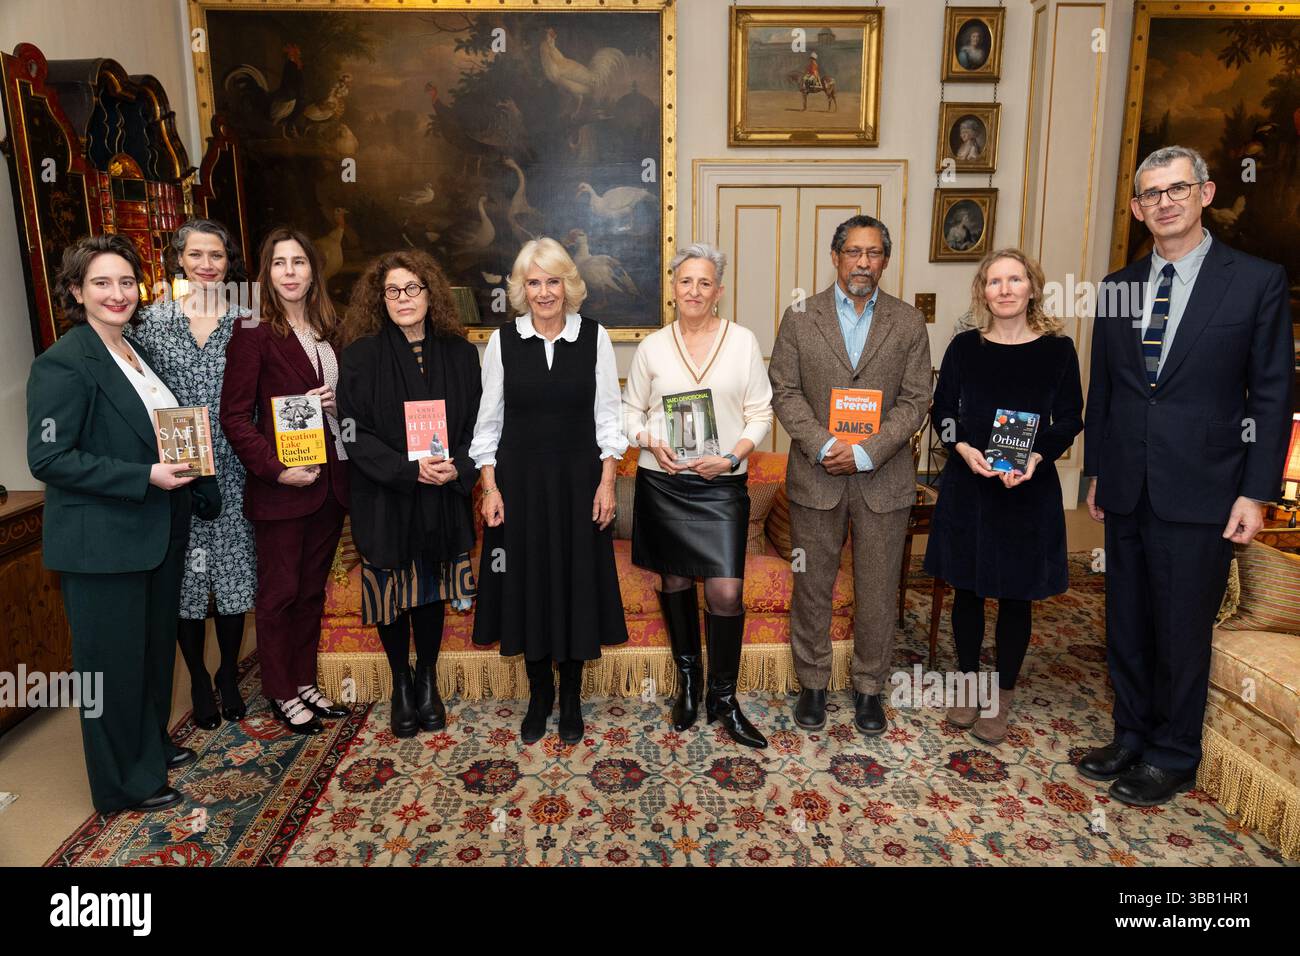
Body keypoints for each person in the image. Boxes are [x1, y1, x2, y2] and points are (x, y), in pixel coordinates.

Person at [1080, 145, 1294, 805]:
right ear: (1140, 209)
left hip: (1204, 489)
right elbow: (1109, 394)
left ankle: (1173, 755)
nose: (1163, 202)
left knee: (1180, 626)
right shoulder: (1117, 288)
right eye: (1151, 194)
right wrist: (1095, 471)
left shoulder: (1255, 281)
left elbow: (1271, 395)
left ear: (1205, 193)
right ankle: (1131, 736)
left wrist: (1256, 491)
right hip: (1126, 485)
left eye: (1177, 189)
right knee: (1128, 621)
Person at [26, 235, 221, 813]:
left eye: (126, 282)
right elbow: (49, 459)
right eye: (101, 283)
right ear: (75, 291)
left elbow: (165, 428)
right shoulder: (62, 362)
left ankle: (149, 748)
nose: (117, 294)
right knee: (111, 669)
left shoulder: (138, 353)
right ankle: (122, 784)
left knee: (152, 654)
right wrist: (145, 477)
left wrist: (195, 479)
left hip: (156, 533)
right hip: (102, 543)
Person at [769, 214, 931, 735]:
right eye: (854, 252)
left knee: (879, 588)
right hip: (816, 477)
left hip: (883, 479)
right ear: (835, 256)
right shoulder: (799, 317)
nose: (864, 262)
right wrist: (825, 445)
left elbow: (916, 400)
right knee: (812, 585)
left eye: (875, 253)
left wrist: (865, 452)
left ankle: (868, 690)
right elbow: (784, 390)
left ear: (885, 260)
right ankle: (812, 685)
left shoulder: (908, 322)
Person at [470, 237, 628, 745]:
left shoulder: (595, 337)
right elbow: (487, 423)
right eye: (533, 282)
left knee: (575, 584)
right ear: (521, 289)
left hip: (579, 483)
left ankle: (572, 698)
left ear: (569, 285)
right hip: (519, 486)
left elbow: (609, 418)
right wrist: (489, 488)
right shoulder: (503, 342)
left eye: (552, 281)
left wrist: (607, 482)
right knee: (528, 587)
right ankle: (540, 696)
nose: (543, 292)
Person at [924, 248, 1083, 743]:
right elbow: (943, 410)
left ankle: (1004, 692)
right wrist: (963, 448)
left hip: (1026, 488)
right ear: (983, 292)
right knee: (967, 588)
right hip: (970, 484)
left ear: (1032, 287)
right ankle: (970, 684)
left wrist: (1037, 457)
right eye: (995, 281)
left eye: (1015, 279)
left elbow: (1071, 418)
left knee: (1017, 594)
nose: (1006, 289)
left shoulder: (1058, 350)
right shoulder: (964, 347)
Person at [623, 242, 773, 749]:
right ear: (673, 289)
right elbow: (628, 413)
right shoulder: (652, 347)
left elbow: (760, 413)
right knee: (675, 579)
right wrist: (651, 440)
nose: (694, 290)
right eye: (685, 281)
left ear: (719, 291)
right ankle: (689, 685)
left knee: (726, 590)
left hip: (722, 482)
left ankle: (724, 700)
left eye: (704, 282)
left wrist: (732, 457)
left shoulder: (743, 341)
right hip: (664, 480)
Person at [339, 251, 481, 737]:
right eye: (393, 290)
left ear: (431, 294)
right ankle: (400, 680)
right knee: (392, 594)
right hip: (387, 493)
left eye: (413, 288)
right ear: (380, 299)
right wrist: (406, 470)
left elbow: (479, 425)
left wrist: (456, 467)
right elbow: (352, 431)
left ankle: (428, 678)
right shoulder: (359, 355)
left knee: (431, 590)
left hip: (442, 492)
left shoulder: (461, 353)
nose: (404, 298)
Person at [221, 226, 352, 735]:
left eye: (299, 262)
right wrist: (278, 470)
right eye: (279, 263)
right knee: (278, 594)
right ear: (265, 272)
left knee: (311, 592)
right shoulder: (253, 331)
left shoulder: (331, 327)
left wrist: (338, 404)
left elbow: (346, 404)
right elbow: (234, 418)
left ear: (313, 270)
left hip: (331, 480)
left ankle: (304, 681)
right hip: (282, 487)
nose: (290, 272)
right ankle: (279, 690)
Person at [131, 218, 256, 729]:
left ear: (229, 263)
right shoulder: (150, 323)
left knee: (233, 576)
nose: (207, 265)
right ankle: (198, 680)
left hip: (235, 464)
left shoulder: (249, 322)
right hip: (177, 469)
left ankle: (228, 672)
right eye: (196, 255)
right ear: (178, 260)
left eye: (217, 256)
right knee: (185, 581)